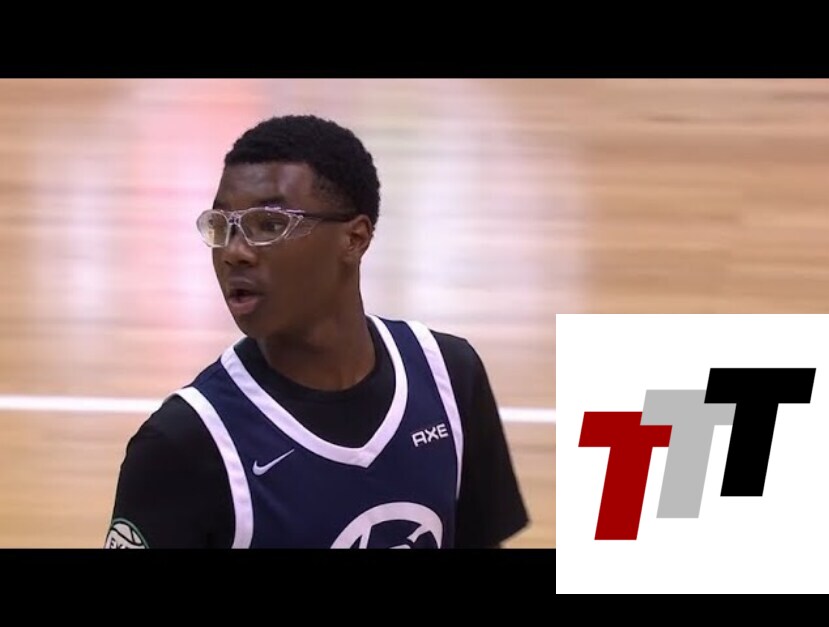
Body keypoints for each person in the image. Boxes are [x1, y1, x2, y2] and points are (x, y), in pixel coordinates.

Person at [104, 114, 529, 549]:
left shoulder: (448, 377)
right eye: (222, 227)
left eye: (268, 224)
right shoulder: (184, 444)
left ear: (354, 238)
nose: (234, 252)